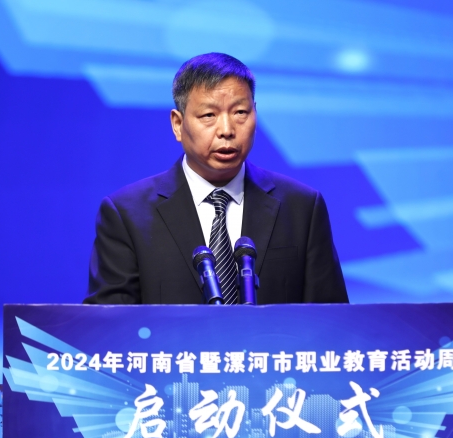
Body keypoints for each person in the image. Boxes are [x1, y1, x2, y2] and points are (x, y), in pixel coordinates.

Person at [84, 52, 348, 305]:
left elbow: (333, 321)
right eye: (209, 115)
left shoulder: (301, 208)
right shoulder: (127, 215)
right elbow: (110, 326)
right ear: (178, 124)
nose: (227, 130)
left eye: (240, 112)